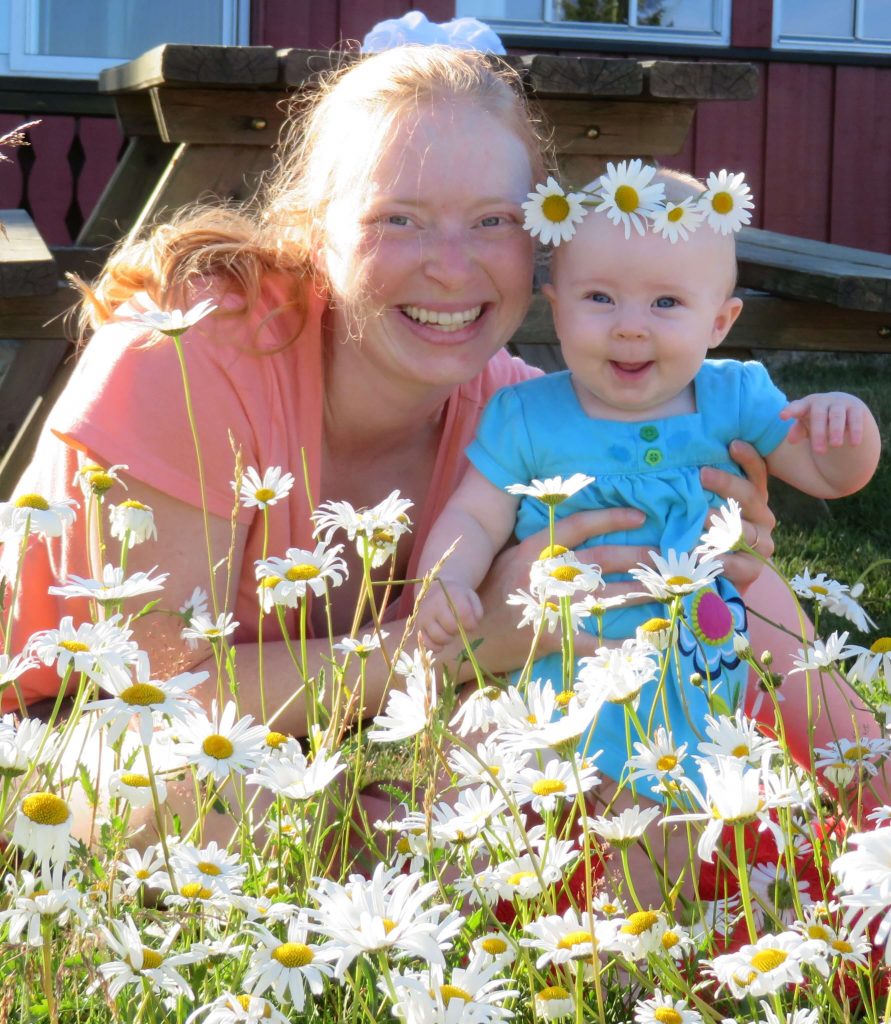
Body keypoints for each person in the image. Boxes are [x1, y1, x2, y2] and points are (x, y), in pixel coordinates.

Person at [0, 47, 867, 840]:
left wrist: (711, 550)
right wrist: (451, 642)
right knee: (224, 808)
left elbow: (667, 587)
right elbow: (155, 689)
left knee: (558, 781)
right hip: (71, 734)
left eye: (492, 221)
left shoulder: (523, 419)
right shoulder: (185, 354)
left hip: (349, 735)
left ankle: (868, 802)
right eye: (398, 220)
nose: (451, 267)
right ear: (312, 228)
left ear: (539, 244)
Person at [415, 167, 881, 795]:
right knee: (502, 817)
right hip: (556, 667)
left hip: (691, 671)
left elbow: (828, 476)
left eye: (665, 303)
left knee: (673, 821)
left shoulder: (733, 400)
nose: (630, 325)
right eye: (600, 298)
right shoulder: (527, 417)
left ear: (720, 322)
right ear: (557, 310)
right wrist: (446, 579)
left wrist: (847, 429)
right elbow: (476, 514)